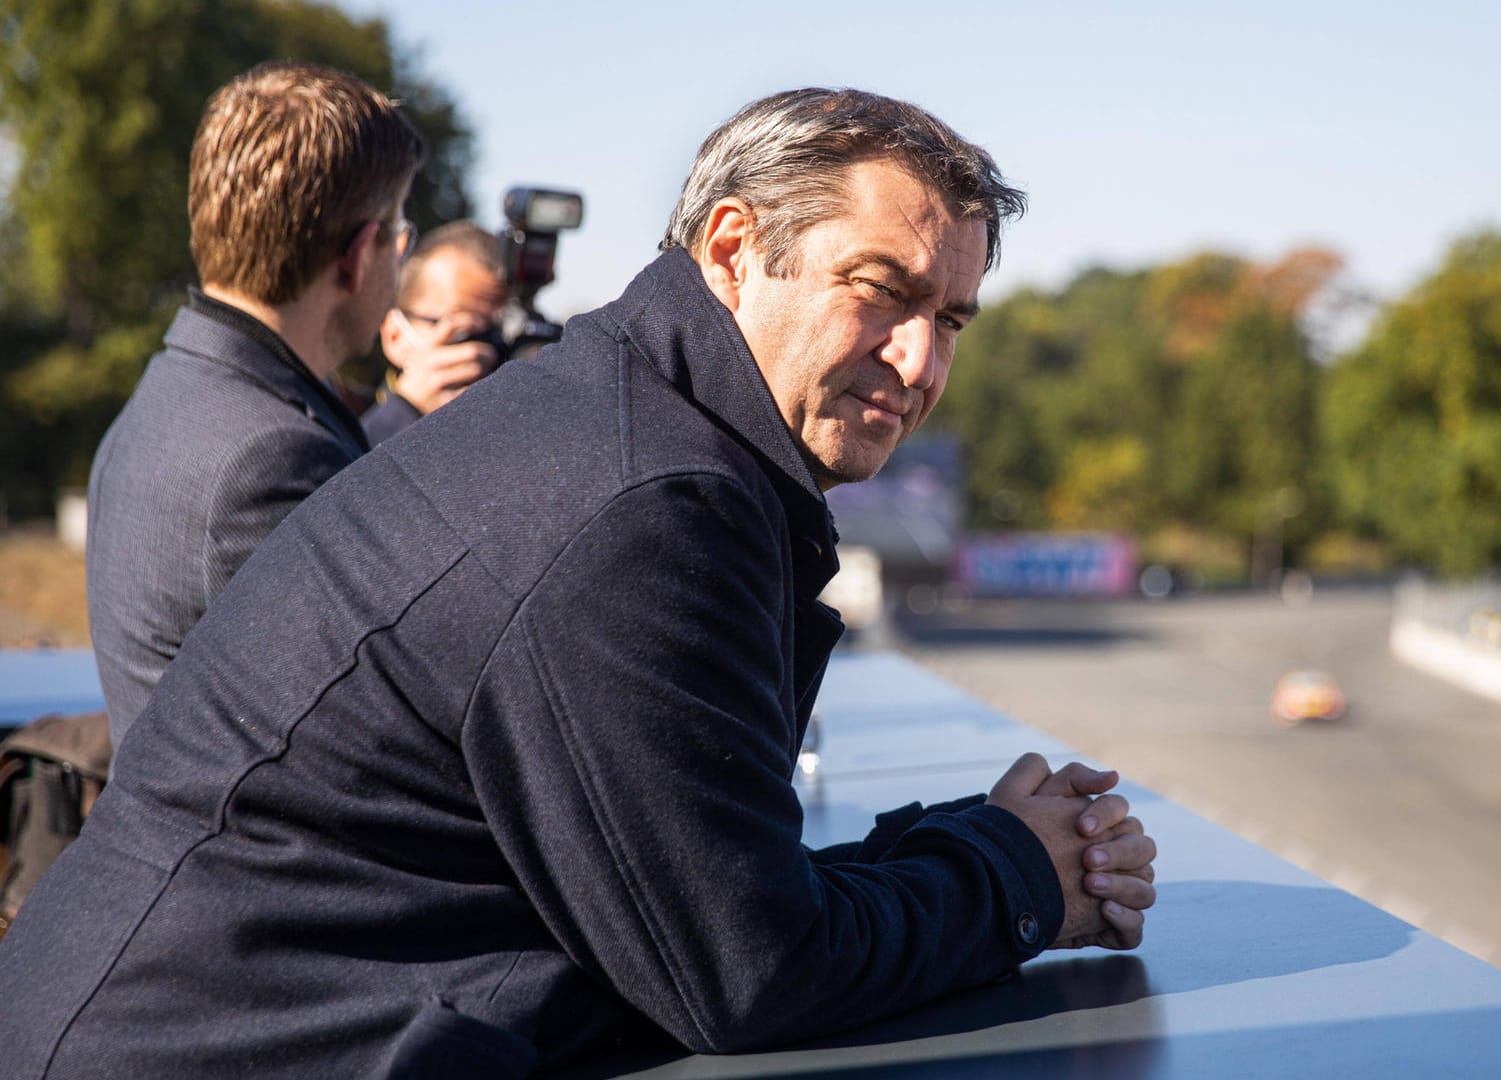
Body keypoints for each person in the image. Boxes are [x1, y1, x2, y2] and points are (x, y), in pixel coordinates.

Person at [0, 88, 1157, 1076]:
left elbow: (684, 889)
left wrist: (980, 843)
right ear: (730, 251)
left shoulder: (623, 420)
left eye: (950, 317)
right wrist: (1019, 877)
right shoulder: (644, 501)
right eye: (881, 289)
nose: (920, 362)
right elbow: (748, 971)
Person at [85, 61, 424, 750]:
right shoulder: (272, 457)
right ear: (358, 257)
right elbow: (368, 740)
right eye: (398, 230)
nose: (401, 255)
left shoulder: (175, 389)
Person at [360, 220, 511, 444]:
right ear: (395, 336)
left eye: (500, 333)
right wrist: (406, 410)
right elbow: (342, 477)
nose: (488, 353)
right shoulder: (334, 427)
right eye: (465, 332)